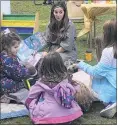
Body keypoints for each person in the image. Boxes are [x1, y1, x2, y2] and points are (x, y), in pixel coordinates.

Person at [70, 19, 117, 118]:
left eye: (104, 32)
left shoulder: (109, 51)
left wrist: (81, 65)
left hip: (112, 89)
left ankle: (111, 102)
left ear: (109, 34)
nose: (103, 34)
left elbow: (97, 72)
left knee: (92, 81)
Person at [25, 52, 83, 124]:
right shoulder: (67, 78)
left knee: (33, 102)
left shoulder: (42, 82)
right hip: (70, 113)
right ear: (61, 64)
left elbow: (30, 96)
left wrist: (29, 106)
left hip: (49, 115)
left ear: (43, 66)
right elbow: (76, 89)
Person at [0, 31, 37, 96]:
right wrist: (28, 70)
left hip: (8, 77)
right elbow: (18, 74)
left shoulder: (8, 54)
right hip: (4, 83)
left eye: (18, 46)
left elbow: (15, 68)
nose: (18, 48)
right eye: (15, 47)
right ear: (6, 47)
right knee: (15, 84)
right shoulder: (7, 59)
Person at [43, 1, 78, 67]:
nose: (58, 15)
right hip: (53, 49)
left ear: (64, 13)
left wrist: (52, 54)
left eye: (60, 12)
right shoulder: (49, 24)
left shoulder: (70, 25)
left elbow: (66, 46)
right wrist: (45, 51)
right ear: (52, 13)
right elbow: (47, 41)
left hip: (66, 52)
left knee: (55, 61)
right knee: (42, 59)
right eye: (56, 12)